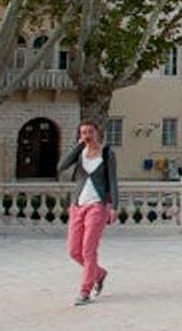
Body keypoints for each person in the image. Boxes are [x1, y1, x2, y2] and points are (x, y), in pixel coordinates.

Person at [57, 120, 118, 305]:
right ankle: (99, 274)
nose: (87, 135)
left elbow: (113, 181)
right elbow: (61, 166)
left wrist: (114, 206)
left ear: (97, 133)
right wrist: (77, 147)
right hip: (78, 205)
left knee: (88, 250)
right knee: (74, 251)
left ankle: (85, 291)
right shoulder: (80, 153)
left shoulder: (107, 153)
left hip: (97, 206)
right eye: (83, 132)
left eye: (90, 132)